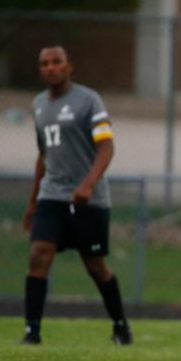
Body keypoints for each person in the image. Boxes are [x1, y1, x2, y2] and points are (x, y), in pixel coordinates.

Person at [22, 46, 131, 345]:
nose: (50, 68)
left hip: (88, 198)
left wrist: (87, 184)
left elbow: (106, 147)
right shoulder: (39, 104)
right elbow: (43, 154)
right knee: (38, 255)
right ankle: (32, 332)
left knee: (95, 265)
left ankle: (120, 326)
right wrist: (32, 202)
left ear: (69, 66)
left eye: (56, 62)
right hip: (51, 195)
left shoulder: (88, 100)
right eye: (44, 63)